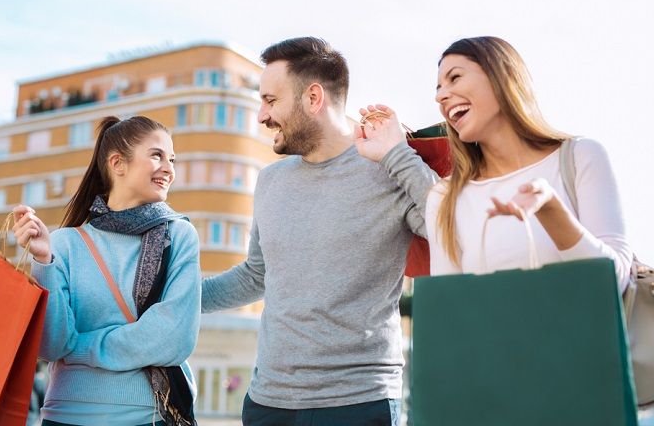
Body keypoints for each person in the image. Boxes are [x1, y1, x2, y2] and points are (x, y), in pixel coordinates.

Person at [201, 37, 437, 426]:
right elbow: (256, 274)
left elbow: (450, 228)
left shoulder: (388, 169)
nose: (261, 116)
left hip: (358, 404)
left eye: (271, 101)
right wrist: (173, 297)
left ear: (313, 98)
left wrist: (398, 155)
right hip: (268, 403)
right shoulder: (270, 181)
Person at [12, 116, 201, 426]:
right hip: (64, 416)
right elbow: (53, 345)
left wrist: (82, 346)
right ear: (118, 163)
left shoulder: (177, 236)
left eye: (172, 159)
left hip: (143, 417)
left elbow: (173, 338)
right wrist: (43, 261)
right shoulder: (63, 244)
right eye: (157, 155)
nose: (169, 168)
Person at [421, 36, 632, 286]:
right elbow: (450, 308)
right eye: (438, 89)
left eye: (455, 78)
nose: (441, 96)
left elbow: (612, 283)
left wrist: (551, 209)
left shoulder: (580, 157)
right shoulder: (444, 197)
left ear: (504, 74)